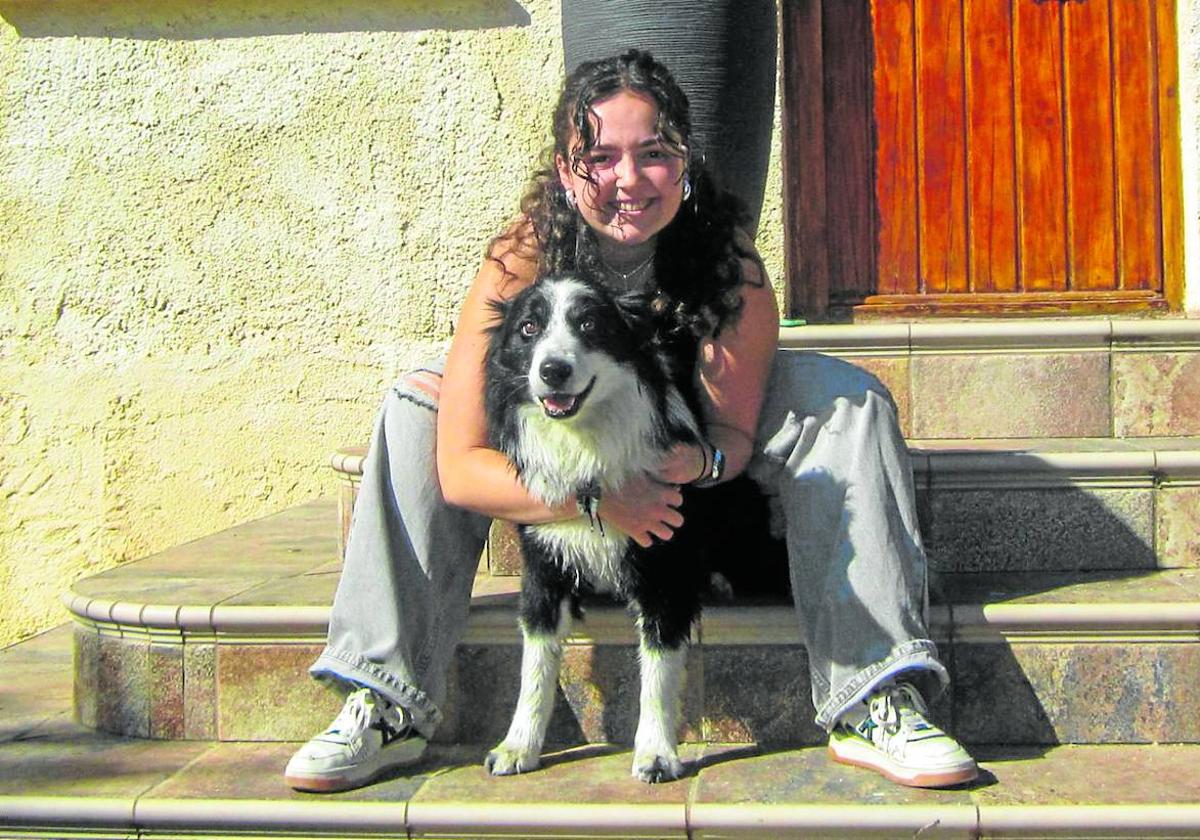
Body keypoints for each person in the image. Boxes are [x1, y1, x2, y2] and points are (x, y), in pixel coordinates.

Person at [284, 49, 978, 793]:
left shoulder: (725, 260)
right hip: (576, 474)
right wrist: (593, 502)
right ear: (563, 169)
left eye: (652, 154)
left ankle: (872, 690)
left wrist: (702, 464)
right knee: (415, 407)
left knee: (849, 396)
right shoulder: (522, 257)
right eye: (600, 157)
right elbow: (459, 468)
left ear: (682, 160)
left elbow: (734, 434)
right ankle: (384, 697)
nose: (627, 179)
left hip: (684, 434)